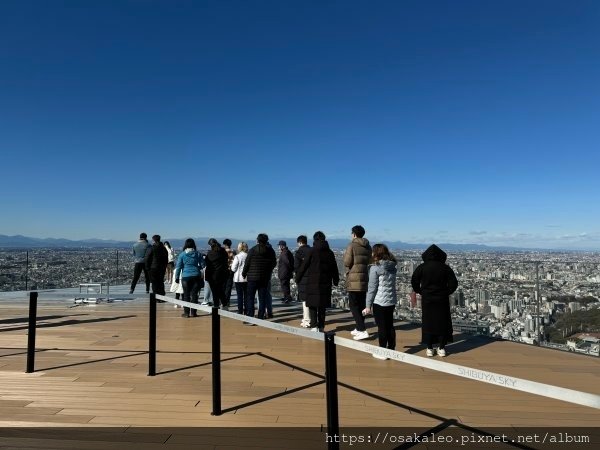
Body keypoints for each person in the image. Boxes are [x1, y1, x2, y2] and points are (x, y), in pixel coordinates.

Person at [410, 244, 458, 357]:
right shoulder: (445, 267)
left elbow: (414, 281)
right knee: (442, 322)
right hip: (442, 299)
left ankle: (429, 348)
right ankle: (441, 347)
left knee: (428, 322)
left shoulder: (422, 267)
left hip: (427, 299)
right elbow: (454, 284)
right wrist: (446, 292)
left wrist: (421, 291)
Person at [295, 231, 339, 332]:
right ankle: (321, 326)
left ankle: (314, 326)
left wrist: (298, 278)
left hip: (312, 282)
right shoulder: (329, 252)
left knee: (312, 305)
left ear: (314, 239)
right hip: (325, 282)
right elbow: (334, 268)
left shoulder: (312, 251)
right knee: (322, 306)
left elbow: (303, 266)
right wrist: (335, 280)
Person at [363, 244, 398, 357]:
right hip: (391, 301)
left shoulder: (375, 268)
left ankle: (382, 351)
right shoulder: (392, 266)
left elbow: (372, 288)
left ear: (376, 253)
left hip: (379, 301)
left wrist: (368, 305)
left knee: (381, 327)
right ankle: (391, 349)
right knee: (390, 325)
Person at [343, 225, 372, 340]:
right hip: (364, 277)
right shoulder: (368, 246)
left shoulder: (352, 245)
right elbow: (370, 260)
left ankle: (362, 329)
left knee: (353, 305)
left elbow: (347, 261)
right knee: (361, 304)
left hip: (354, 279)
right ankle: (358, 327)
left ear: (354, 234)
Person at [242, 233, 276, 320]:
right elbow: (274, 263)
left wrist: (244, 273)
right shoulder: (270, 251)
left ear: (257, 240)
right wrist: (268, 271)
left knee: (250, 298)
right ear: (266, 241)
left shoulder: (252, 250)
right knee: (262, 298)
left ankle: (250, 317)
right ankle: (261, 317)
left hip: (252, 278)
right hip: (264, 278)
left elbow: (247, 263)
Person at [174, 238, 205, 318]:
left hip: (185, 277)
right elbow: (203, 265)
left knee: (186, 295)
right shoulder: (198, 254)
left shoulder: (182, 254)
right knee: (194, 295)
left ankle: (186, 313)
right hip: (196, 276)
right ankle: (193, 312)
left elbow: (179, 267)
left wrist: (177, 277)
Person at [205, 238, 229, 309]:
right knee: (220, 290)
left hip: (212, 275)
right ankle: (224, 304)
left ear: (210, 245)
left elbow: (207, 263)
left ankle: (216, 306)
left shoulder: (210, 253)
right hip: (222, 274)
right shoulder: (223, 252)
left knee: (214, 291)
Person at [294, 235, 311, 328]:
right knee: (311, 299)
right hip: (313, 278)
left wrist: (297, 278)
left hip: (303, 278)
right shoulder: (312, 250)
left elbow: (296, 267)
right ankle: (310, 319)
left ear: (300, 242)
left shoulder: (299, 252)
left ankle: (306, 320)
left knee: (304, 300)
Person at [231, 242, 248, 315]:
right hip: (247, 278)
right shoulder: (248, 256)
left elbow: (233, 269)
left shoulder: (237, 256)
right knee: (247, 296)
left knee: (240, 296)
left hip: (238, 279)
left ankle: (240, 310)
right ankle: (247, 310)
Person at [222, 238, 236, 308]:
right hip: (231, 271)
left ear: (225, 244)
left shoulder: (222, 252)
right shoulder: (233, 252)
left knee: (223, 286)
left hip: (223, 271)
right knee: (229, 286)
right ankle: (227, 301)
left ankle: (223, 301)